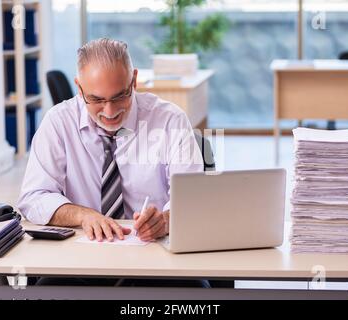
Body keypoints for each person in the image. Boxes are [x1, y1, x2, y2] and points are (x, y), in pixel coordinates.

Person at [17, 38, 206, 287]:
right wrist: (83, 215)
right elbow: (33, 197)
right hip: (79, 260)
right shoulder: (58, 122)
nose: (109, 111)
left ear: (134, 80)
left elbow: (194, 198)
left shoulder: (170, 120)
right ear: (79, 88)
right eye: (96, 99)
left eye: (120, 96)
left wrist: (166, 220)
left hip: (157, 260)